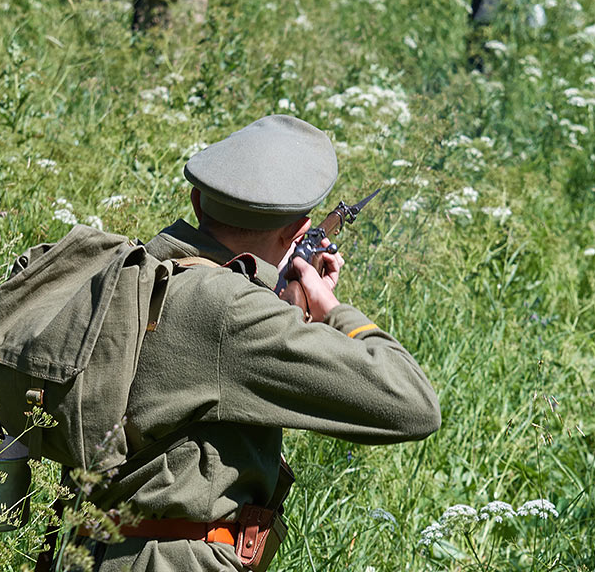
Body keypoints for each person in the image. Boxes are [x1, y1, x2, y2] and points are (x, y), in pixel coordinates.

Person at [61, 115, 441, 571]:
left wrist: (283, 301)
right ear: (298, 231)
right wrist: (331, 309)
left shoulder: (129, 273)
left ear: (197, 202)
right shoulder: (236, 314)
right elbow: (413, 404)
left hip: (80, 552)